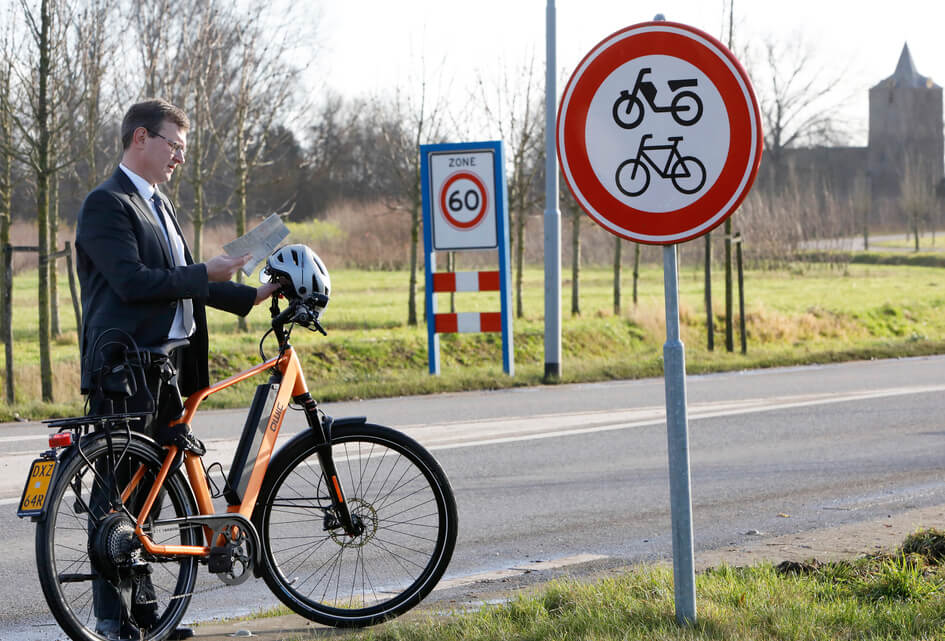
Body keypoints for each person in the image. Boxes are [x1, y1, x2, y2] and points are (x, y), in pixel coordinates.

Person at [74, 98, 279, 641]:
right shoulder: (107, 204)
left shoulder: (158, 204)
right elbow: (135, 282)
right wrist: (202, 270)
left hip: (163, 368)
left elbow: (186, 279)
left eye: (185, 151)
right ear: (140, 138)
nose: (179, 159)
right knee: (117, 502)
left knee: (150, 501)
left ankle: (148, 618)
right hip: (123, 369)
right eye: (174, 146)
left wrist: (249, 294)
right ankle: (111, 622)